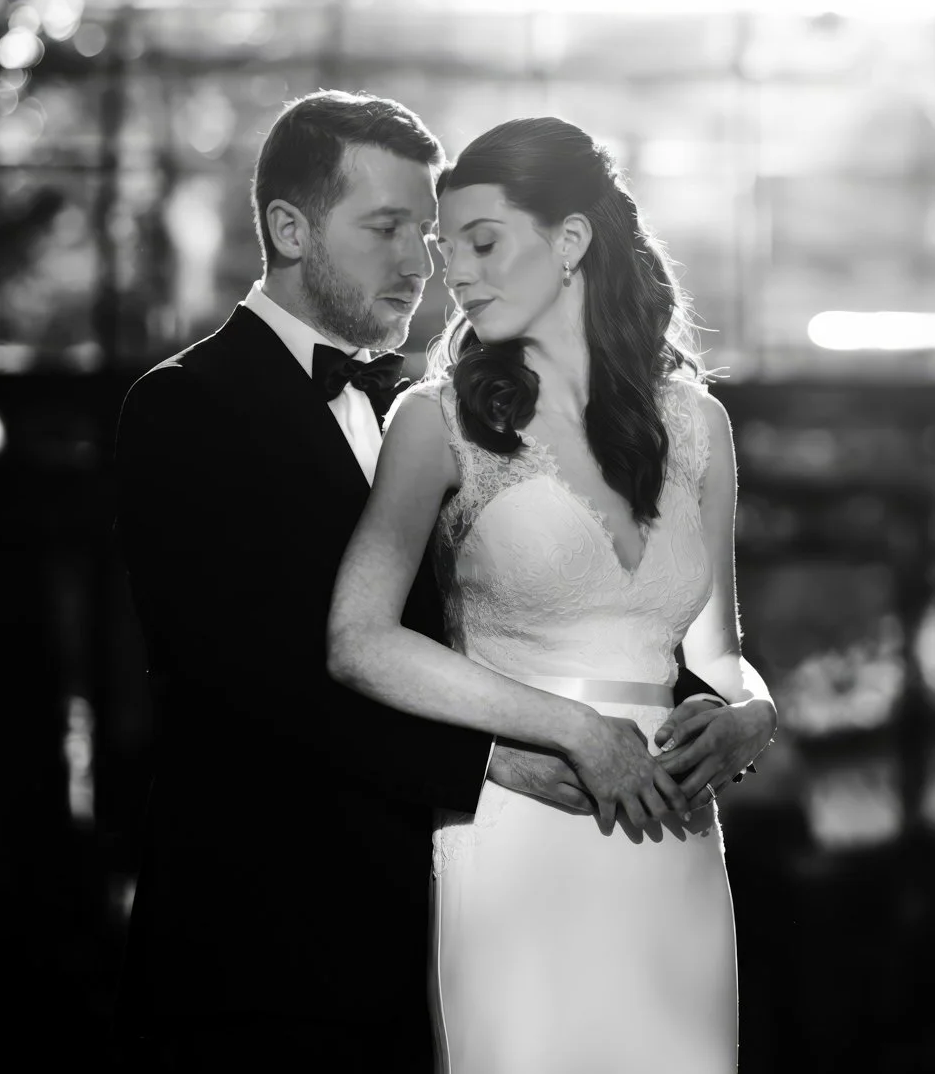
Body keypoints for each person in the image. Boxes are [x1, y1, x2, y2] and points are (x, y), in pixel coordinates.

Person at [112, 92, 718, 1072]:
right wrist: (498, 757)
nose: (419, 261)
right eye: (386, 227)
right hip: (251, 954)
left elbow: (524, 609)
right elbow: (250, 674)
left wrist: (690, 706)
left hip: (428, 935)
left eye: (426, 234)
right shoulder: (184, 406)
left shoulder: (429, 416)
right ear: (288, 227)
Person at [328, 115, 777, 1073]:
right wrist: (572, 729)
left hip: (675, 838)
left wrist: (752, 716)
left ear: (571, 241)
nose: (458, 273)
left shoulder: (700, 424)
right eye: (452, 252)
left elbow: (715, 651)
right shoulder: (433, 419)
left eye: (483, 242)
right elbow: (358, 639)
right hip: (522, 826)